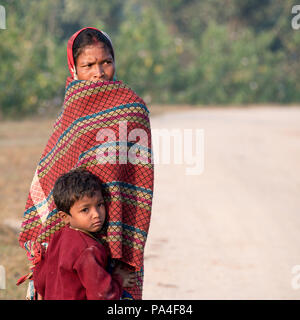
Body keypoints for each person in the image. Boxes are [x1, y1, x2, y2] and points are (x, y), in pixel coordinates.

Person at [18, 27, 154, 300]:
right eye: (88, 65)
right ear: (73, 68)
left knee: (110, 292)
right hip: (72, 226)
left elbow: (138, 176)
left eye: (106, 62)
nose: (99, 72)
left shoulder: (132, 108)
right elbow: (53, 168)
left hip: (115, 217)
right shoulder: (72, 110)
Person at [33, 168, 136, 300]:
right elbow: (102, 296)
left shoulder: (57, 237)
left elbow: (40, 281)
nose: (96, 214)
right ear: (65, 217)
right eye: (85, 210)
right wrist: (119, 279)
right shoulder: (88, 249)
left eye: (100, 204)